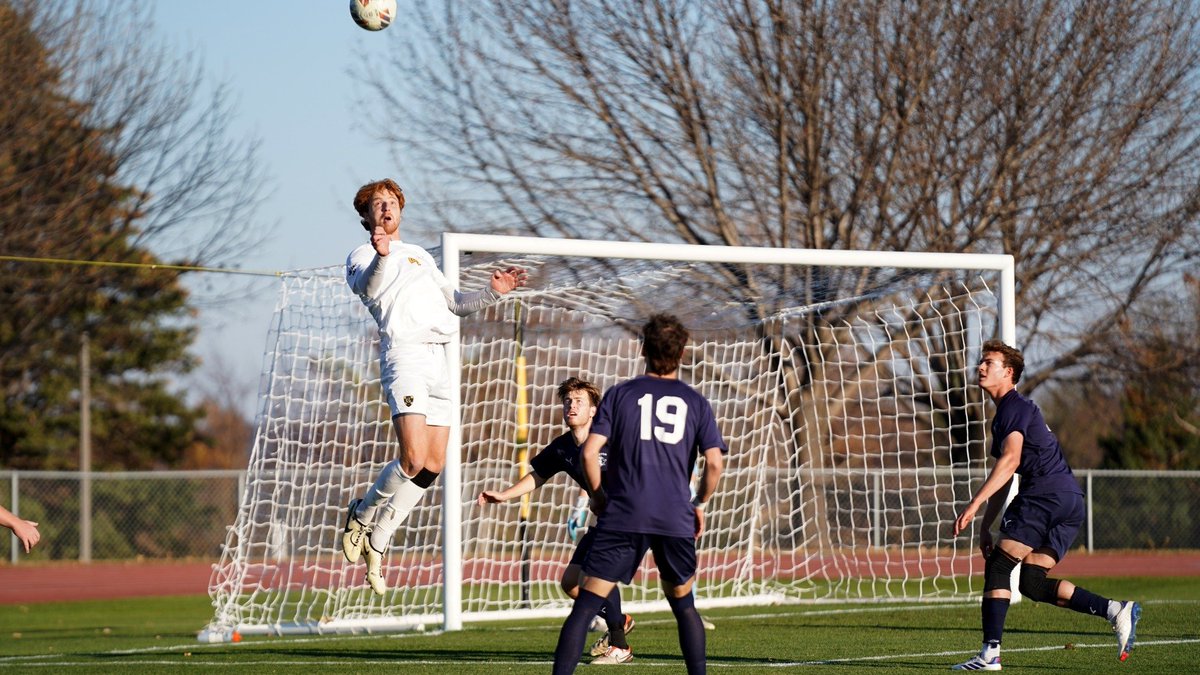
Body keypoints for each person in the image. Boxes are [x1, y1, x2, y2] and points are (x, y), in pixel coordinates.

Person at [340, 178, 527, 595]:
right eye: (377, 205)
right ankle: (363, 512)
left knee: (434, 464)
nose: (385, 209)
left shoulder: (421, 255)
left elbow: (457, 303)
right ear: (366, 216)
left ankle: (380, 536)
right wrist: (382, 256)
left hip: (439, 358)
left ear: (401, 210)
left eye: (391, 202)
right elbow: (367, 289)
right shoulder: (362, 255)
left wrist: (493, 294)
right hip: (404, 355)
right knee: (411, 459)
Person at [552, 313, 727, 673]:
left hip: (624, 514)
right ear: (682, 352)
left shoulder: (620, 394)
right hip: (674, 516)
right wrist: (700, 503)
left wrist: (598, 497)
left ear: (643, 348)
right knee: (683, 606)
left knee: (585, 606)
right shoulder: (695, 402)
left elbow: (588, 453)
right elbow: (714, 464)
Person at [951, 339, 1141, 671]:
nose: (980, 367)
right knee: (1032, 582)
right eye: (980, 362)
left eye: (988, 363)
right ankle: (1115, 609)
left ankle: (990, 654)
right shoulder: (1010, 413)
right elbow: (1007, 476)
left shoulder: (1013, 408)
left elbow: (1010, 462)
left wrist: (973, 505)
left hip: (1044, 496)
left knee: (999, 567)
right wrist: (985, 524)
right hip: (1069, 500)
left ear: (1008, 372)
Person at [477, 376, 636, 661]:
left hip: (628, 518)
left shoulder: (614, 438)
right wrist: (504, 495)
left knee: (595, 577)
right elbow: (538, 475)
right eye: (568, 401)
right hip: (603, 521)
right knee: (571, 584)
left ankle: (620, 646)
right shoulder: (563, 446)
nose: (571, 406)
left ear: (593, 411)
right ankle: (618, 621)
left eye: (579, 402)